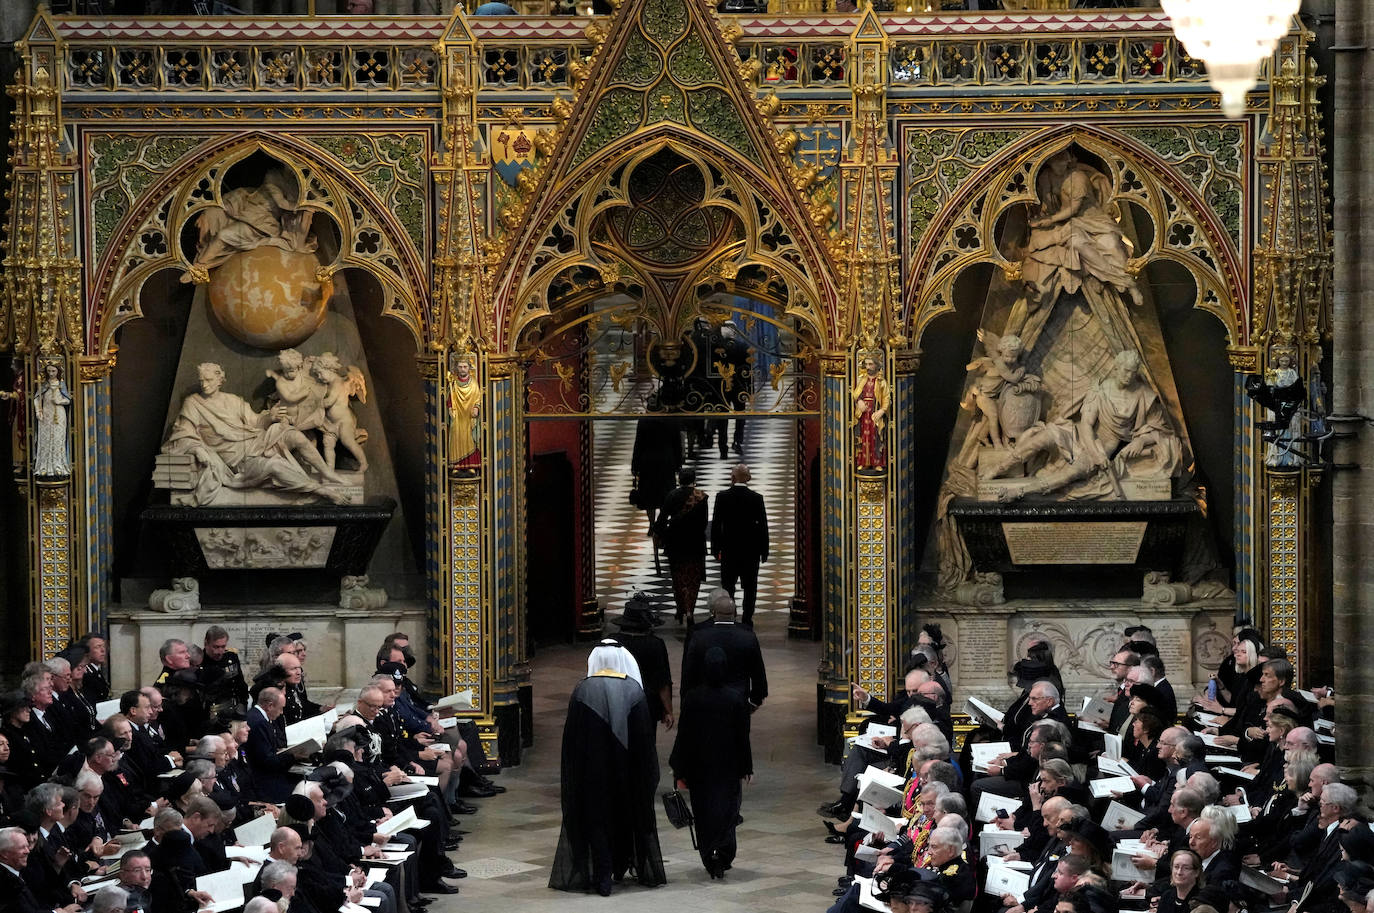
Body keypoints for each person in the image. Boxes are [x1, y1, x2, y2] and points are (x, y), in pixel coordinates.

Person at [549, 641, 665, 896]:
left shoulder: (582, 691)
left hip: (592, 773)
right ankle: (620, 865)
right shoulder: (634, 691)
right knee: (625, 817)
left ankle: (602, 876)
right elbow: (644, 741)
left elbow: (571, 740)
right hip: (627, 772)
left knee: (596, 820)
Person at [162, 362, 350, 506]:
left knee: (294, 435)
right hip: (239, 459)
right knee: (275, 466)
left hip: (254, 440)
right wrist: (197, 449)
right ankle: (322, 491)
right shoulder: (193, 403)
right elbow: (182, 435)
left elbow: (254, 421)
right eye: (201, 380)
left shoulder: (233, 400)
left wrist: (270, 416)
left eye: (209, 380)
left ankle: (328, 473)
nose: (204, 385)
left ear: (220, 380)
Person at [670, 646, 753, 879]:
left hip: (700, 768)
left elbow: (684, 735)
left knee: (704, 812)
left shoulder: (692, 698)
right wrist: (747, 767)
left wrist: (679, 768)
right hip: (728, 767)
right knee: (728, 811)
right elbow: (741, 736)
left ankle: (709, 855)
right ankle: (724, 853)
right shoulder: (735, 698)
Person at [680, 589, 767, 712]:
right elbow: (758, 671)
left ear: (713, 612)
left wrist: (686, 701)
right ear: (735, 612)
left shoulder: (698, 636)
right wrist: (755, 699)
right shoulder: (747, 635)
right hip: (739, 699)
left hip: (705, 701)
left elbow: (688, 672)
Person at [711, 463, 769, 626]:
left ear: (732, 477)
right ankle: (747, 618)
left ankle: (731, 615)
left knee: (728, 586)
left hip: (729, 551)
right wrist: (764, 550)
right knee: (750, 587)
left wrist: (715, 548)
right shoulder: (757, 498)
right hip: (751, 552)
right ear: (749, 478)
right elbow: (763, 526)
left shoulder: (722, 497)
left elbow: (716, 525)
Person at [609, 595, 674, 730]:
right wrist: (668, 710)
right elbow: (662, 681)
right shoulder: (655, 644)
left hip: (617, 701)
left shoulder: (612, 641)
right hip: (647, 704)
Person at [655, 467, 710, 625]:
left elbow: (662, 519)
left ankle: (680, 609)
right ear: (694, 480)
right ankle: (690, 610)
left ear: (679, 480)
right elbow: (704, 523)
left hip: (676, 544)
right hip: (695, 544)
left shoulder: (672, 495)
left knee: (678, 578)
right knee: (693, 579)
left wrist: (660, 534)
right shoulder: (701, 497)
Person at [630, 399, 683, 535]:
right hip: (667, 461)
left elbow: (638, 444)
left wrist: (635, 466)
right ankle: (662, 522)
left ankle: (652, 524)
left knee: (649, 496)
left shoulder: (644, 421)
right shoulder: (671, 421)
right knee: (666, 494)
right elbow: (677, 444)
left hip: (647, 462)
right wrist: (678, 464)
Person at [31, 362, 70, 478]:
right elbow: (37, 399)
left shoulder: (61, 384)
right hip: (46, 415)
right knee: (45, 439)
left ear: (58, 371)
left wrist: (60, 401)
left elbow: (68, 400)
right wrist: (38, 411)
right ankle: (43, 467)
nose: (51, 374)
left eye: (53, 371)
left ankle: (58, 466)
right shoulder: (43, 385)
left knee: (58, 439)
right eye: (49, 371)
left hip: (59, 414)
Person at [852, 354, 888, 471]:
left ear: (876, 365)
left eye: (870, 364)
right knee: (864, 437)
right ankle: (864, 461)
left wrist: (882, 411)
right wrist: (859, 401)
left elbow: (886, 398)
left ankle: (877, 462)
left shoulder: (881, 381)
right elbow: (856, 393)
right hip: (863, 414)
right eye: (866, 364)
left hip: (875, 412)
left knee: (876, 437)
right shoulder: (862, 379)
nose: (868, 367)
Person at [446, 357, 482, 471]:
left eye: (465, 367)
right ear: (456, 368)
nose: (462, 369)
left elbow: (478, 399)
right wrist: (450, 408)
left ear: (469, 368)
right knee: (456, 437)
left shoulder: (474, 384)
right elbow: (449, 398)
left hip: (469, 417)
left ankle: (471, 466)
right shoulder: (453, 384)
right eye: (460, 367)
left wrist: (476, 408)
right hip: (457, 416)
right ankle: (456, 465)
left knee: (470, 438)